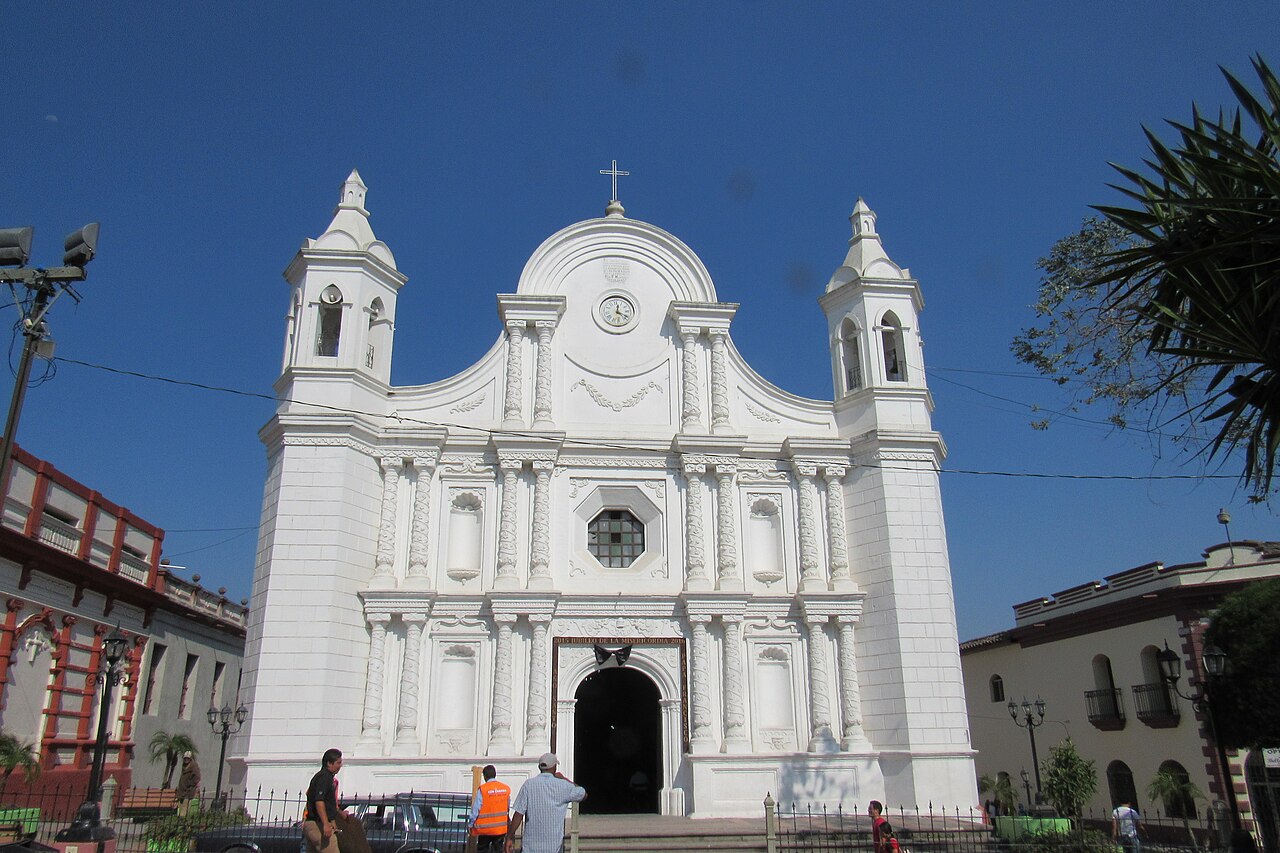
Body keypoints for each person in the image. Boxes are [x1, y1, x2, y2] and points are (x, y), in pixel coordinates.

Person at [505, 753, 586, 853]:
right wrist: (565, 779)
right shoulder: (563, 785)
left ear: (540, 767)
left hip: (530, 847)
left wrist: (509, 836)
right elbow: (583, 794)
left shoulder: (528, 785)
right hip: (553, 847)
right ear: (554, 767)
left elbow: (518, 814)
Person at [303, 749, 345, 853]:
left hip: (313, 824)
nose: (340, 766)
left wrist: (333, 820)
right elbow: (319, 801)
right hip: (317, 824)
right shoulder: (324, 777)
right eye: (338, 763)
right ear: (329, 764)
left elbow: (328, 804)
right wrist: (326, 824)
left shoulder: (326, 778)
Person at [470, 765, 511, 853]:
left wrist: (471, 824)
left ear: (484, 776)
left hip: (484, 830)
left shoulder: (483, 789)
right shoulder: (505, 788)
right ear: (495, 774)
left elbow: (476, 809)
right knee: (498, 850)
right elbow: (507, 807)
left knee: (482, 850)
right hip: (500, 829)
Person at [175, 751, 201, 816]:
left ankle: (183, 823)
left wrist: (189, 784)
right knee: (180, 809)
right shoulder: (184, 766)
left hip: (188, 791)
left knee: (184, 811)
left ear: (190, 758)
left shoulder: (194, 766)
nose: (186, 760)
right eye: (185, 758)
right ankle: (180, 822)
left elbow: (197, 777)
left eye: (187, 758)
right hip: (181, 791)